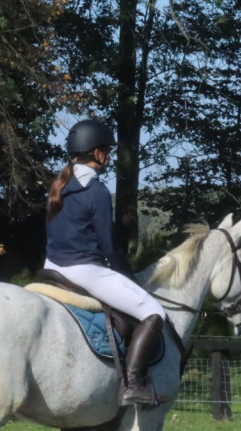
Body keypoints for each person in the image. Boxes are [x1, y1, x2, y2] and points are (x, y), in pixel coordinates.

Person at [44, 119, 167, 408]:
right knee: (153, 310)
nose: (109, 156)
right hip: (84, 269)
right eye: (106, 150)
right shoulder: (96, 190)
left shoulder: (59, 186)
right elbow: (109, 246)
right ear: (95, 152)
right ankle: (133, 384)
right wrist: (131, 279)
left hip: (52, 266)